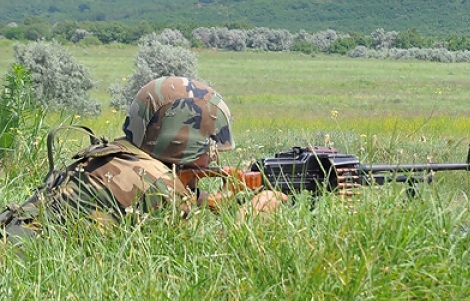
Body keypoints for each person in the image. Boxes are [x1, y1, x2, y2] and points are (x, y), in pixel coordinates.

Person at [1, 76, 285, 244]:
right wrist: (249, 218)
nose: (211, 160)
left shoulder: (116, 155)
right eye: (208, 149)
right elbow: (198, 260)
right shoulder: (156, 182)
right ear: (182, 140)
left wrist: (219, 200)